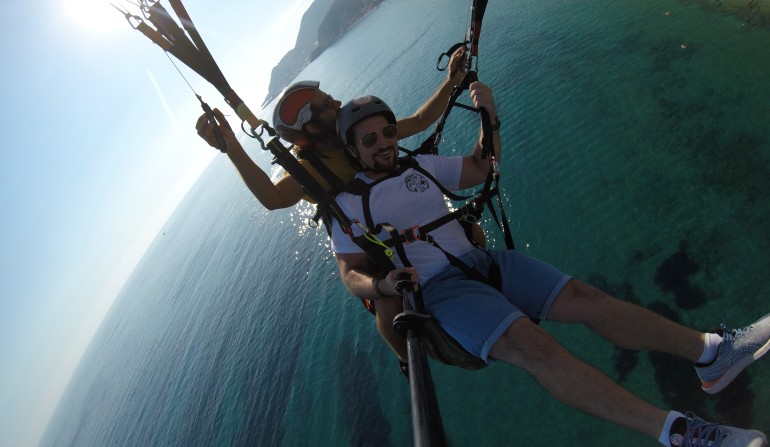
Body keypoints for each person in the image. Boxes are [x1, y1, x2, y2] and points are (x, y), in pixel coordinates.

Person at [328, 86, 770, 446]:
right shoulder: (347, 206)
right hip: (442, 290)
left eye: (388, 132)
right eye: (371, 140)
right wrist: (383, 285)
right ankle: (681, 433)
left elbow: (481, 168)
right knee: (533, 346)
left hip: (484, 262)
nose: (385, 143)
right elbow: (351, 275)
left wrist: (489, 118)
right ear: (353, 149)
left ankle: (713, 354)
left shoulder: (417, 164)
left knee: (586, 297)